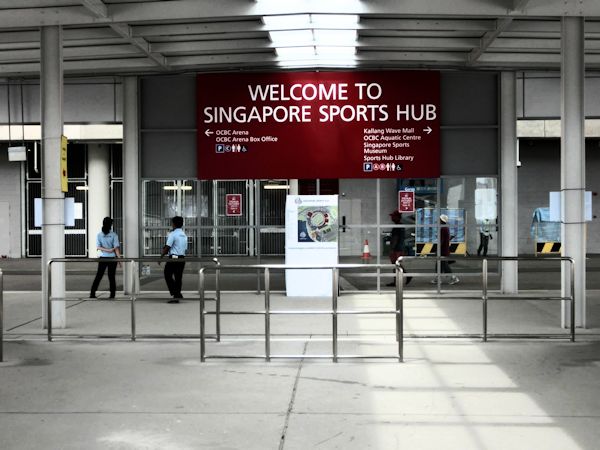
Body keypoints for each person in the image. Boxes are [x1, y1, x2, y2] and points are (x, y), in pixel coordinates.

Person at [90, 217, 121, 298]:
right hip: (112, 259)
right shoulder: (114, 235)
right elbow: (116, 248)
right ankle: (112, 295)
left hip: (103, 258)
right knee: (111, 276)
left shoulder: (99, 235)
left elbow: (98, 247)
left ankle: (92, 294)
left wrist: (106, 250)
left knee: (99, 276)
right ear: (110, 224)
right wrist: (119, 260)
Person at [161, 216, 188, 303]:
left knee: (167, 274)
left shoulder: (172, 234)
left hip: (173, 258)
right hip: (182, 258)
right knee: (178, 277)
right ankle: (177, 294)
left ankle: (175, 293)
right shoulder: (184, 235)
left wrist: (161, 256)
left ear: (174, 224)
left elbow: (167, 247)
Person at [387, 210, 412, 287]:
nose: (391, 218)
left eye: (393, 216)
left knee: (395, 265)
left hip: (396, 249)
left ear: (397, 217)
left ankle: (398, 281)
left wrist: (391, 249)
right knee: (397, 264)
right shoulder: (401, 227)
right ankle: (405, 277)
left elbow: (395, 238)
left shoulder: (397, 227)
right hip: (400, 248)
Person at [432, 214, 459, 285]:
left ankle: (453, 278)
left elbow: (442, 240)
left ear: (441, 220)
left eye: (439, 219)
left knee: (444, 265)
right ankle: (438, 278)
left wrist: (438, 249)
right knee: (439, 265)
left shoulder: (443, 228)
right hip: (444, 249)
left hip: (442, 250)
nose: (438, 220)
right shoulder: (445, 228)